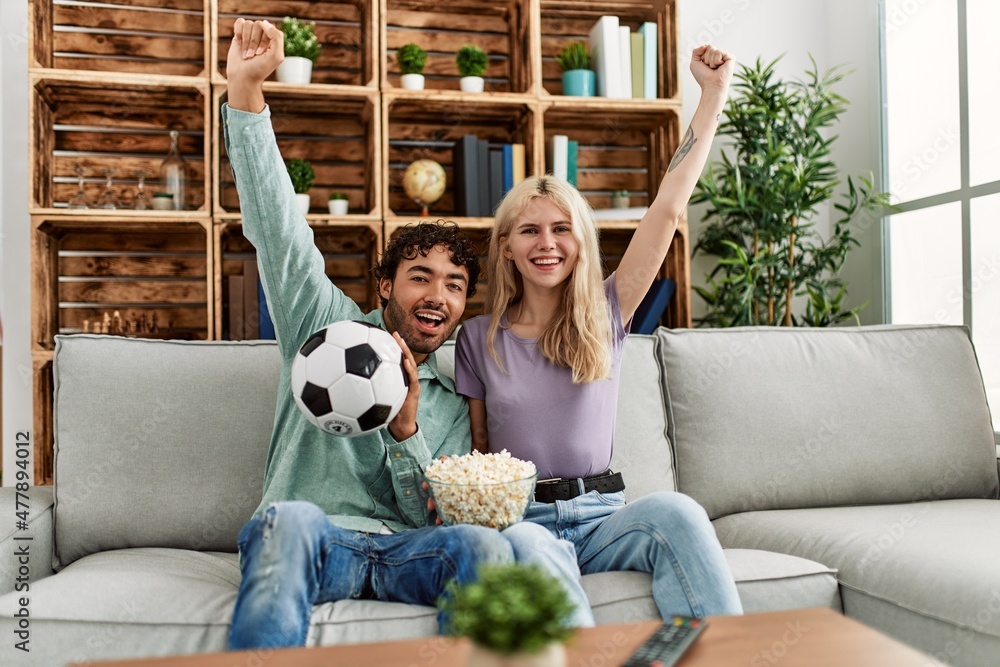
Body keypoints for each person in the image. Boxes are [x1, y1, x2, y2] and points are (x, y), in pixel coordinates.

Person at [223, 18, 512, 650]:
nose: (438, 295)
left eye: (456, 286)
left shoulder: (456, 392)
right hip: (314, 536)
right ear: (384, 286)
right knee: (290, 520)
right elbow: (278, 227)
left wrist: (407, 426)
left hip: (405, 550)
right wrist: (246, 91)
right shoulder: (321, 327)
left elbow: (429, 517)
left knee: (481, 544)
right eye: (420, 277)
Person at [455, 45, 743, 625]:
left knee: (680, 513)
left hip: (605, 512)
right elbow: (478, 454)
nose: (547, 243)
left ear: (581, 240)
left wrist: (712, 97)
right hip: (525, 521)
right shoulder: (477, 337)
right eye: (530, 230)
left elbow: (667, 208)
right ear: (507, 246)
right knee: (534, 553)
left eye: (562, 228)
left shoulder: (607, 309)